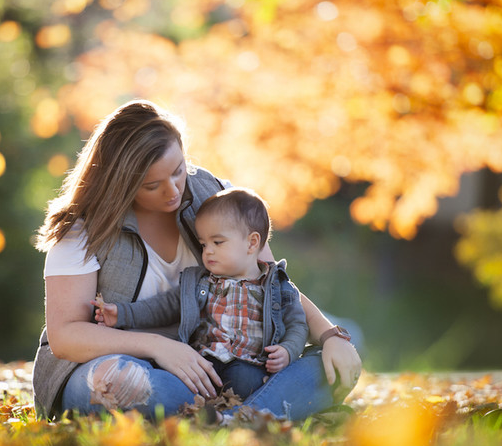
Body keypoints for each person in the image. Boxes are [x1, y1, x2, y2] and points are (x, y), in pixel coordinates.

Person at [33, 99, 361, 421]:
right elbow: (66, 336)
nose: (173, 190)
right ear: (122, 182)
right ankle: (256, 410)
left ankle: (225, 419)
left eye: (178, 171)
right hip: (115, 365)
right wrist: (157, 347)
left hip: (218, 365)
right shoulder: (82, 229)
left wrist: (331, 337)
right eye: (152, 185)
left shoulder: (216, 197)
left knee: (335, 364)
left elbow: (271, 284)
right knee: (127, 382)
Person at [93, 187, 308, 401]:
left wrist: (288, 350)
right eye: (204, 244)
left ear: (252, 243)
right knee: (179, 379)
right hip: (202, 362)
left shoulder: (277, 287)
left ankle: (236, 411)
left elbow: (297, 324)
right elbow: (162, 307)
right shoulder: (198, 283)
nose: (208, 251)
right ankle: (207, 406)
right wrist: (122, 313)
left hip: (248, 364)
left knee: (249, 379)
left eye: (218, 242)